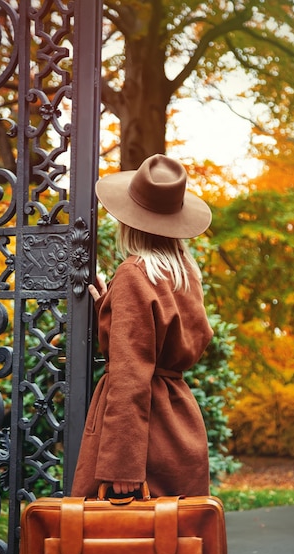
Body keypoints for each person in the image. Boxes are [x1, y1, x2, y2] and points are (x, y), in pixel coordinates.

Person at [71, 153, 213, 498]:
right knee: (173, 543)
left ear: (129, 222)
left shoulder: (135, 274)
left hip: (142, 440)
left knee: (113, 543)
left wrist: (122, 466)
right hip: (178, 425)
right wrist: (110, 307)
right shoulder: (186, 276)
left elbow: (130, 375)